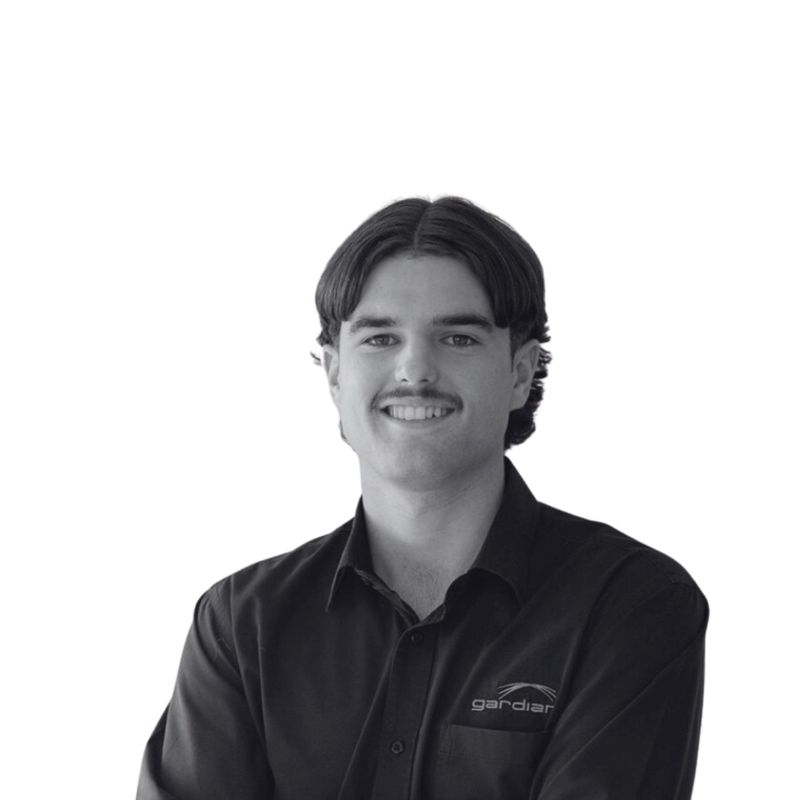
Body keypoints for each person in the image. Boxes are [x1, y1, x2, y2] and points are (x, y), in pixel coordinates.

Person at [137, 197, 708, 799]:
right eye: (380, 338)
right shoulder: (241, 625)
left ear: (520, 373)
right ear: (334, 373)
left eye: (458, 338)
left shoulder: (630, 604)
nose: (414, 370)